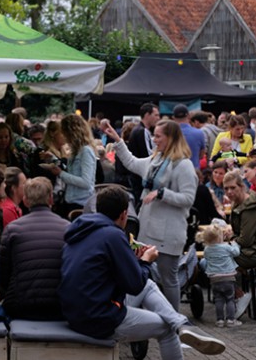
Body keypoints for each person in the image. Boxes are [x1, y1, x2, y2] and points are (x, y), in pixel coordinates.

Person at [59, 186, 225, 357]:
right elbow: (135, 285)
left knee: (150, 286)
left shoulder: (79, 233)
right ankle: (180, 324)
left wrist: (134, 260)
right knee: (166, 328)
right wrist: (146, 260)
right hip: (100, 319)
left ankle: (181, 323)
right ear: (124, 214)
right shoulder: (113, 235)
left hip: (75, 313)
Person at [104, 119, 196, 312]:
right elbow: (131, 162)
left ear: (170, 138)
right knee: (146, 275)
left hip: (169, 233)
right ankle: (151, 317)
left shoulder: (183, 165)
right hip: (149, 230)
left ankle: (173, 321)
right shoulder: (156, 160)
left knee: (168, 278)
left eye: (158, 136)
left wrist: (162, 193)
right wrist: (118, 140)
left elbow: (188, 198)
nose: (154, 139)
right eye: (153, 135)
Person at [0, 177, 68, 321]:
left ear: (25, 201)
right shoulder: (68, 228)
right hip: (59, 304)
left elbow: (2, 272)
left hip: (21, 305)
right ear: (51, 199)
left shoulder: (13, 230)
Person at [47, 114, 97, 218]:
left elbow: (86, 182)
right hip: (72, 201)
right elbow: (73, 172)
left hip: (80, 204)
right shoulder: (77, 151)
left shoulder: (85, 151)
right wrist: (53, 159)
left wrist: (61, 174)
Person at [222, 170, 256, 271]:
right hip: (249, 250)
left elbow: (245, 241)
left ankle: (230, 286)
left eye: (233, 187)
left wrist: (230, 238)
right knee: (214, 255)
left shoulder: (250, 207)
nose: (229, 192)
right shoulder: (238, 201)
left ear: (241, 187)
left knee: (217, 257)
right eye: (226, 188)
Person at [196, 223, 241, 328]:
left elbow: (206, 259)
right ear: (219, 237)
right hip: (228, 276)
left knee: (218, 299)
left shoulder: (207, 249)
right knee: (230, 299)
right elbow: (236, 253)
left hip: (214, 278)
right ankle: (231, 320)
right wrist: (234, 244)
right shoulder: (226, 247)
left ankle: (220, 320)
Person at [121, 103, 160, 207]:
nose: (158, 118)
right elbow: (148, 156)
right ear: (147, 115)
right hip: (139, 179)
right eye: (156, 115)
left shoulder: (140, 130)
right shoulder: (142, 131)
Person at [172, 104, 205, 169]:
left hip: (174, 171)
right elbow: (201, 155)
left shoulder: (169, 134)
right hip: (194, 170)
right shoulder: (199, 133)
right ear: (188, 116)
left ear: (173, 118)